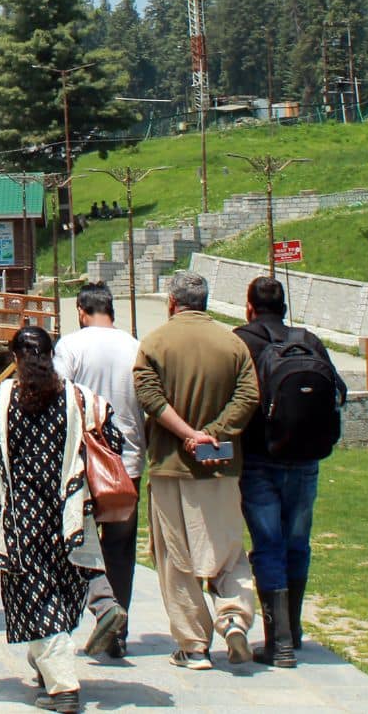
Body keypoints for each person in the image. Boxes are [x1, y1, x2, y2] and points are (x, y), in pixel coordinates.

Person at [0, 325, 105, 714]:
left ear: (16, 358)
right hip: (67, 516)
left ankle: (64, 689)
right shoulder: (77, 398)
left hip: (21, 521)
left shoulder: (4, 399)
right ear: (51, 354)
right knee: (61, 592)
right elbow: (113, 437)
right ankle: (48, 665)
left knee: (37, 597)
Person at [132, 271, 260, 670]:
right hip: (222, 466)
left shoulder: (154, 343)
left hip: (171, 466)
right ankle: (234, 618)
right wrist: (213, 434)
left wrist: (189, 435)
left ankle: (193, 645)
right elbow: (249, 396)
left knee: (176, 559)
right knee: (229, 552)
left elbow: (149, 396)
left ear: (172, 303)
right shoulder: (233, 343)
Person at [234, 275, 344, 668]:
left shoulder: (242, 341)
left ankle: (277, 641)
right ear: (283, 308)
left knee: (268, 544)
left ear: (250, 307)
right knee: (298, 542)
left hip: (259, 458)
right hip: (306, 458)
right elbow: (338, 391)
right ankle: (293, 630)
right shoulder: (308, 340)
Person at [53, 284, 144, 659]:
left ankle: (80, 619)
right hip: (127, 461)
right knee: (121, 547)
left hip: (83, 461)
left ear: (80, 310)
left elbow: (59, 397)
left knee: (78, 542)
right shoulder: (135, 346)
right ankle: (118, 631)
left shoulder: (71, 346)